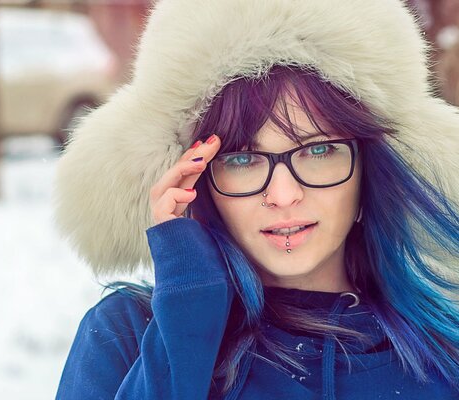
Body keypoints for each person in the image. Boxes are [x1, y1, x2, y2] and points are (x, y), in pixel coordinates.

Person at [53, 0, 459, 398]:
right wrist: (186, 320)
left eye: (318, 151)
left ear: (369, 168)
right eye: (243, 158)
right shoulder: (126, 335)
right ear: (198, 178)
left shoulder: (444, 347)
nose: (283, 195)